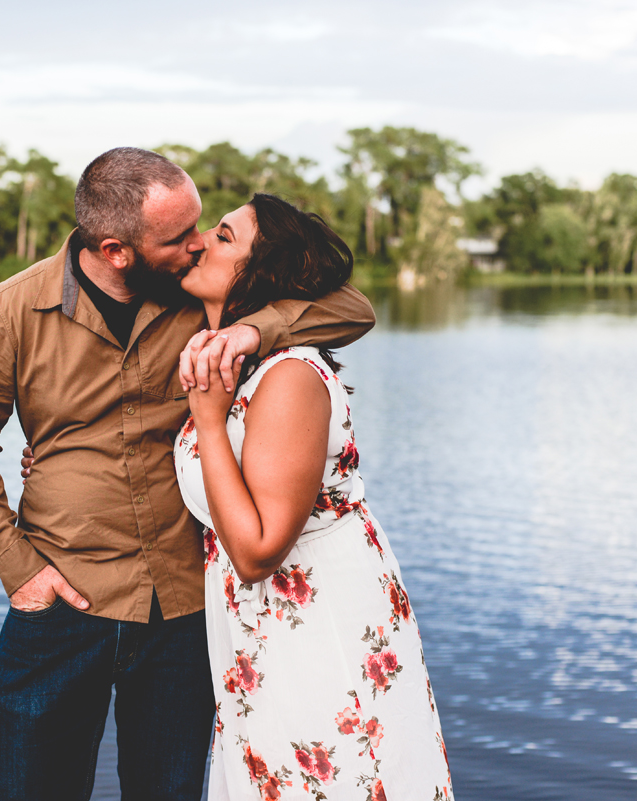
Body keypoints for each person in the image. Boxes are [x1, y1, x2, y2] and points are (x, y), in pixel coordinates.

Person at [0, 148, 375, 801]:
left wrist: (255, 330)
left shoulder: (200, 293)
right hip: (61, 601)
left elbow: (354, 309)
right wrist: (16, 565)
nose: (197, 245)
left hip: (183, 605)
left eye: (201, 227)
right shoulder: (9, 310)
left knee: (166, 791)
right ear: (116, 250)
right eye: (178, 237)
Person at [173, 194, 454, 800]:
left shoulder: (288, 377)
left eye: (223, 236)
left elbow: (257, 551)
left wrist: (209, 421)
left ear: (258, 272)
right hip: (257, 629)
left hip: (314, 618)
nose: (200, 239)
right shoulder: (225, 356)